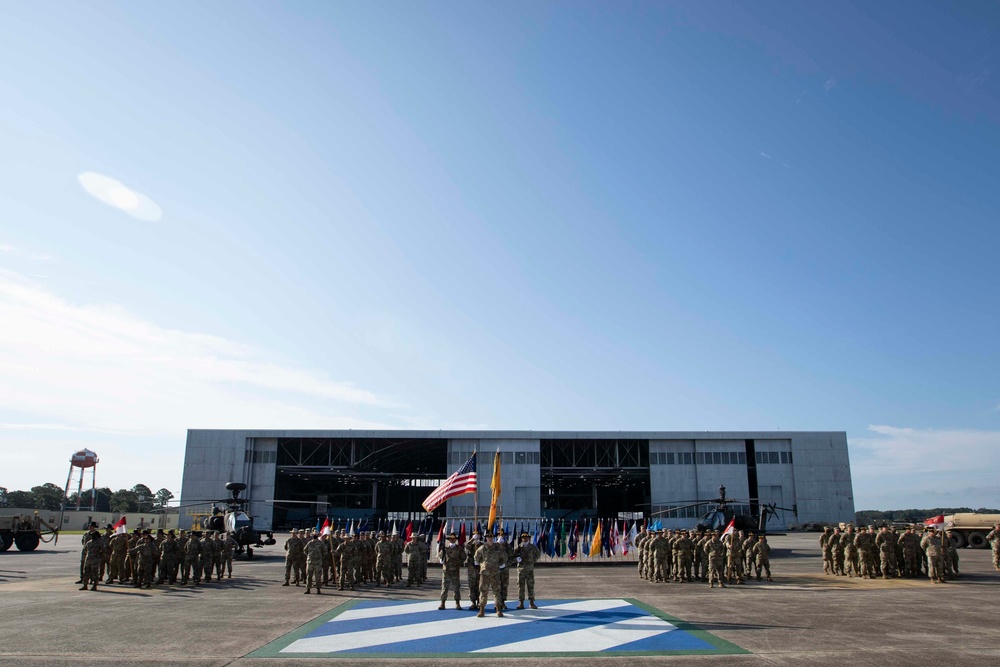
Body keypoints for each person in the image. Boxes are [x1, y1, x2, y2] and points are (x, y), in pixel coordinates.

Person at [474, 532, 506, 618]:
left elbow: (504, 557)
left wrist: (501, 564)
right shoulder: (482, 548)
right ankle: (482, 610)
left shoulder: (498, 548)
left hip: (495, 573)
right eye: (488, 537)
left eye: (491, 537)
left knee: (497, 591)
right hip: (485, 573)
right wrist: (481, 565)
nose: (490, 538)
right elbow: (476, 557)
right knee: (483, 591)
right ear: (486, 538)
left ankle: (498, 609)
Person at [438, 532, 466, 610]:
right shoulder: (445, 548)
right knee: (444, 587)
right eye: (451, 539)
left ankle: (457, 603)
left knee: (456, 587)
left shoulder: (459, 548)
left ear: (455, 540)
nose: (452, 540)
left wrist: (458, 563)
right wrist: (441, 560)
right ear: (449, 540)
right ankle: (442, 603)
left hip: (455, 571)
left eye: (454, 539)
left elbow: (464, 557)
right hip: (446, 571)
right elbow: (440, 557)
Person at [514, 531, 541, 608]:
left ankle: (531, 602)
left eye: (526, 537)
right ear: (521, 539)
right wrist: (517, 559)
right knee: (520, 587)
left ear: (528, 538)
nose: (525, 539)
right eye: (523, 538)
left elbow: (538, 554)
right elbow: (513, 557)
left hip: (529, 569)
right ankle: (521, 602)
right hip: (521, 570)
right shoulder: (518, 547)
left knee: (531, 586)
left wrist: (533, 560)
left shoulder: (532, 547)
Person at [464, 531, 482, 610]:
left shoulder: (482, 544)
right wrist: (472, 540)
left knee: (479, 585)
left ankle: (479, 602)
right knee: (472, 585)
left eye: (477, 534)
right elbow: (466, 546)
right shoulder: (470, 544)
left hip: (480, 567)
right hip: (471, 567)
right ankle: (473, 602)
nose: (476, 536)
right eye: (474, 534)